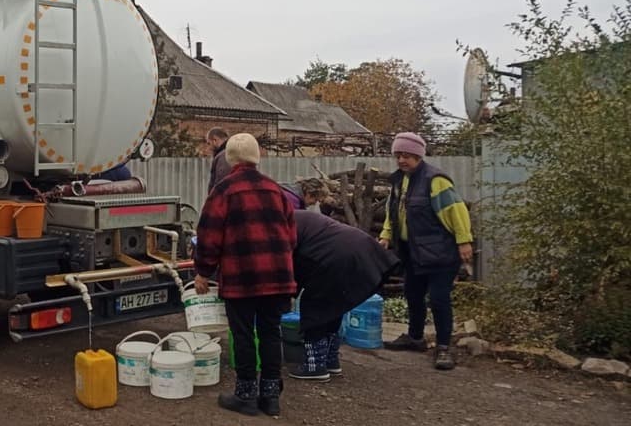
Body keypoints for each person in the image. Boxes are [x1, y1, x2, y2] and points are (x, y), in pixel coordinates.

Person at [194, 133, 295, 417]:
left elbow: (208, 236)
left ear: (229, 158)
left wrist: (203, 271)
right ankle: (271, 398)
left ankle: (246, 396)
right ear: (257, 157)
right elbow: (291, 235)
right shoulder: (276, 190)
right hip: (277, 276)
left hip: (242, 278)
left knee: (243, 334)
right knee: (270, 333)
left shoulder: (223, 191)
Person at [379, 132, 473, 370]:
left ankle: (443, 348)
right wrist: (386, 234)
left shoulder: (435, 180)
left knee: (439, 299)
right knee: (412, 294)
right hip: (412, 251)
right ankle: (415, 337)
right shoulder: (399, 180)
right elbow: (393, 212)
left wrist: (464, 241)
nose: (401, 160)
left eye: (406, 155)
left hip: (439, 251)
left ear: (418, 155)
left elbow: (457, 211)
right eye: (398, 155)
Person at [288, 210, 400, 381]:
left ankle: (314, 365)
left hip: (338, 256)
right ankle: (330, 360)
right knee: (333, 306)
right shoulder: (297, 216)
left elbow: (289, 263)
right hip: (361, 248)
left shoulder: (283, 224)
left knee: (316, 306)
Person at [205, 127, 231, 191]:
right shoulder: (230, 152)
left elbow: (221, 184)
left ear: (215, 140)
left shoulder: (223, 156)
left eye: (209, 143)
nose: (208, 148)